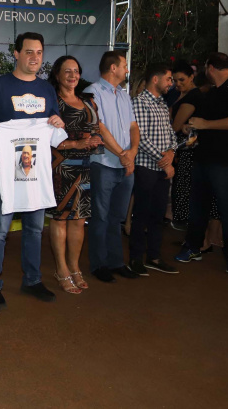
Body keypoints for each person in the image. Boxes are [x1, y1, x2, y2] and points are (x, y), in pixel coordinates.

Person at [0, 32, 63, 306]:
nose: (34, 57)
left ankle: (33, 280)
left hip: (35, 170)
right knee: (0, 230)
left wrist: (57, 122)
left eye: (39, 52)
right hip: (4, 169)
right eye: (28, 52)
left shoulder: (47, 89)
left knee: (34, 228)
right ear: (15, 54)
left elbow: (55, 121)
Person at [176, 53, 228, 274]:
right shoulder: (213, 93)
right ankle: (193, 246)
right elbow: (203, 124)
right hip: (204, 158)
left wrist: (206, 124)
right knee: (198, 206)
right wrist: (192, 128)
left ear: (211, 68)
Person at [45, 55, 103, 294]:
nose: (72, 75)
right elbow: (45, 138)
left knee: (79, 220)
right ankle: (61, 269)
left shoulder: (89, 101)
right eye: (67, 71)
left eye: (76, 71)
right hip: (60, 166)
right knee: (60, 218)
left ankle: (75, 268)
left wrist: (94, 140)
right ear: (57, 75)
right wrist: (75, 145)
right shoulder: (51, 101)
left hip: (84, 167)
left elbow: (96, 131)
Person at [82, 51, 141, 283]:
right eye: (124, 65)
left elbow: (133, 126)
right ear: (113, 68)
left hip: (125, 165)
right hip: (104, 164)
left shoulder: (124, 96)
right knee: (101, 217)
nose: (127, 70)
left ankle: (117, 262)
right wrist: (122, 155)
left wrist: (132, 152)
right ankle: (99, 264)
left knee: (116, 217)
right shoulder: (93, 92)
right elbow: (100, 128)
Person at [129, 63, 179, 276]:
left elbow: (171, 134)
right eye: (169, 79)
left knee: (158, 215)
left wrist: (172, 152)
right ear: (155, 80)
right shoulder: (139, 103)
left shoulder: (161, 103)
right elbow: (140, 139)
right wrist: (165, 161)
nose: (171, 83)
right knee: (141, 215)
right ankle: (136, 259)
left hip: (161, 169)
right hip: (146, 168)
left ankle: (154, 256)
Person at [169, 62, 222, 237]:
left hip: (189, 151)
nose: (178, 83)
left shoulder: (192, 96)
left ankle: (192, 234)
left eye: (181, 79)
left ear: (192, 77)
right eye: (174, 80)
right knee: (187, 190)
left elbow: (175, 126)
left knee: (186, 190)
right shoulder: (183, 95)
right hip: (186, 149)